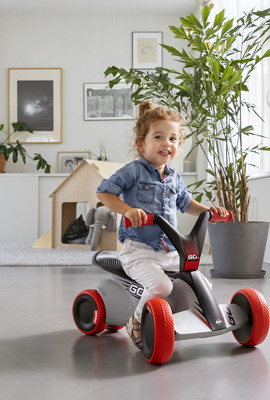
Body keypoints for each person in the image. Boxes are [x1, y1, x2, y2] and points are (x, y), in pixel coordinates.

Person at [96, 100, 228, 350]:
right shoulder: (133, 171)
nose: (166, 143)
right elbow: (104, 192)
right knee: (161, 286)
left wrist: (209, 212)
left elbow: (186, 203)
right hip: (140, 251)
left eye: (173, 138)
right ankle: (136, 322)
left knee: (202, 284)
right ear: (141, 144)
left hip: (170, 251)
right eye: (158, 137)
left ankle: (187, 318)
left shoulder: (174, 177)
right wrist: (128, 211)